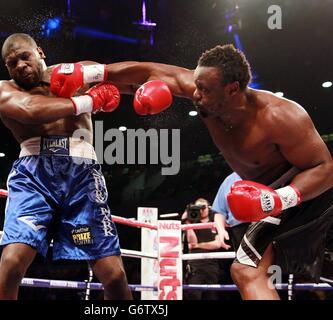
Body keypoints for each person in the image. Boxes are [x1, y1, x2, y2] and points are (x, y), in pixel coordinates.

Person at [55, 43, 333, 299]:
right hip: (272, 201)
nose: (195, 94)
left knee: (253, 271)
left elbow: (325, 167)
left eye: (205, 90)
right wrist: (92, 73)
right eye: (196, 85)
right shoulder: (202, 91)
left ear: (233, 89)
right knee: (247, 271)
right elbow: (146, 72)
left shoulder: (280, 115)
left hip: (307, 193)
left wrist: (279, 197)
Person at [0, 33, 132, 300]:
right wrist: (90, 101)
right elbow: (29, 109)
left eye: (24, 57)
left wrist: (175, 83)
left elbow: (125, 77)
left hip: (82, 174)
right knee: (12, 262)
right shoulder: (6, 89)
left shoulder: (78, 74)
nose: (19, 65)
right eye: (12, 63)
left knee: (114, 275)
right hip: (34, 175)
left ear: (40, 52)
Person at [181, 198, 221, 300]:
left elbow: (217, 244)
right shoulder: (193, 222)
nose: (202, 210)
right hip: (195, 266)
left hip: (211, 266)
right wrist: (187, 223)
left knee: (212, 297)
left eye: (204, 207)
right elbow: (192, 242)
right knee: (193, 295)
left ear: (209, 207)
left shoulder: (215, 221)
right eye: (198, 207)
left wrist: (198, 245)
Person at [212, 172, 249, 251]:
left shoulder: (266, 171)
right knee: (243, 261)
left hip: (267, 224)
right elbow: (219, 211)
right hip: (239, 229)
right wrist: (221, 230)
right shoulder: (230, 180)